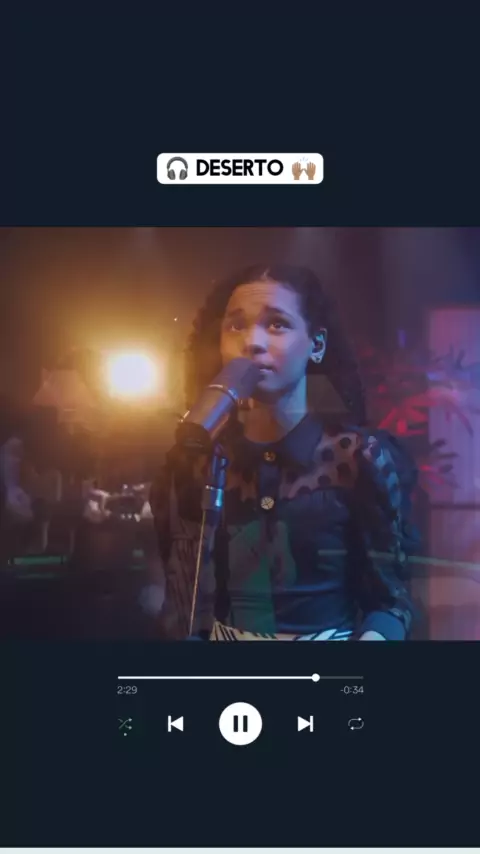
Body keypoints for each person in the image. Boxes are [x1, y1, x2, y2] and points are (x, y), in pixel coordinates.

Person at [142, 263, 419, 641]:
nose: (252, 342)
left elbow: (391, 600)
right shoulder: (199, 460)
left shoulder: (359, 459)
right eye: (236, 326)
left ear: (316, 345)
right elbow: (181, 598)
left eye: (277, 324)